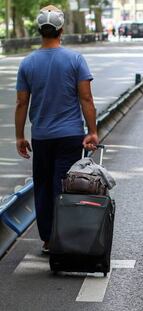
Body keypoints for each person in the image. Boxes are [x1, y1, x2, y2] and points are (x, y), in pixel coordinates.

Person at [15, 5, 98, 254]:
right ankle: (65, 238)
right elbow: (86, 99)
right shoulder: (75, 59)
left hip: (41, 137)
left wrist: (19, 136)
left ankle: (48, 241)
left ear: (40, 31)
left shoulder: (27, 63)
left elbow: (21, 103)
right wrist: (92, 131)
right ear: (61, 30)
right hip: (71, 135)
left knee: (42, 187)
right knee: (64, 187)